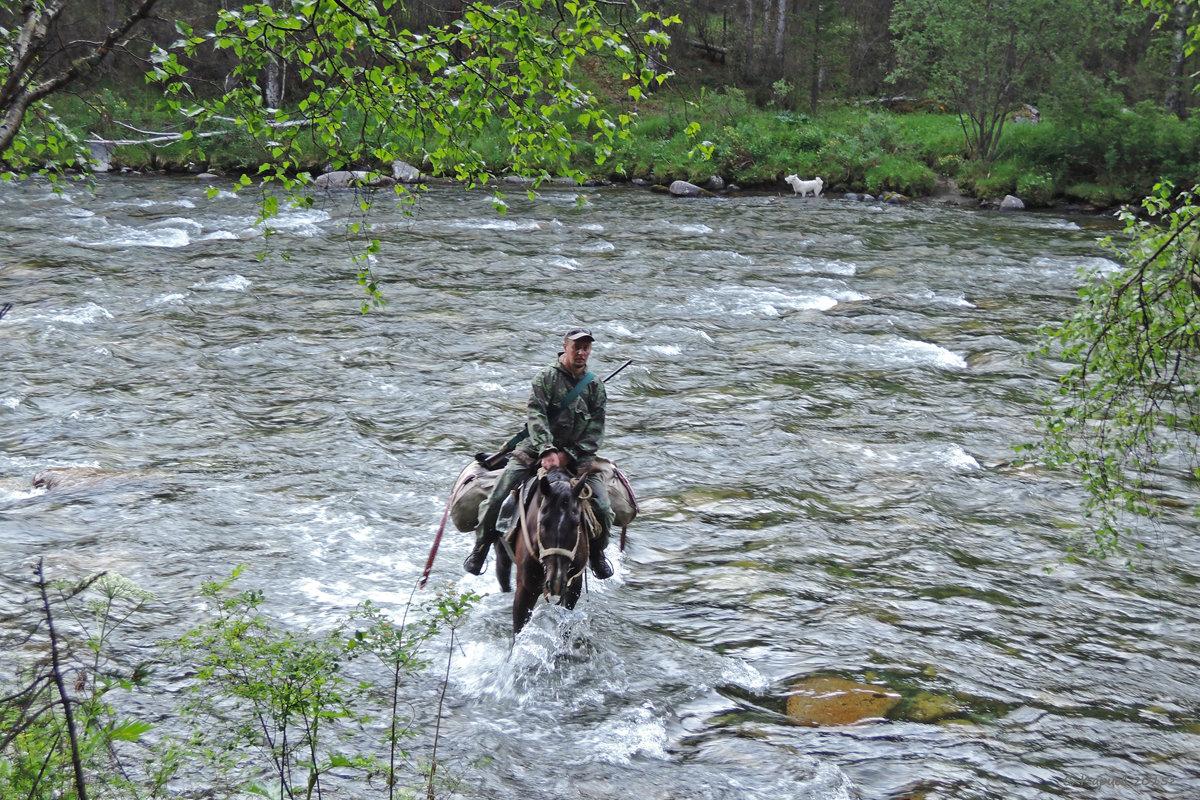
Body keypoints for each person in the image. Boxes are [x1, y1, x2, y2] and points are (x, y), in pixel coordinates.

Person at [464, 327, 615, 579]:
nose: (581, 352)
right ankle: (480, 548)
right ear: (565, 347)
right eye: (576, 346)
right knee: (496, 498)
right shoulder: (545, 378)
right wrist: (547, 450)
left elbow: (596, 430)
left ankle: (598, 554)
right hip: (536, 452)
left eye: (586, 347)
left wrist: (569, 454)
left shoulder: (595, 386)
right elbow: (536, 417)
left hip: (578, 458)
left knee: (602, 507)